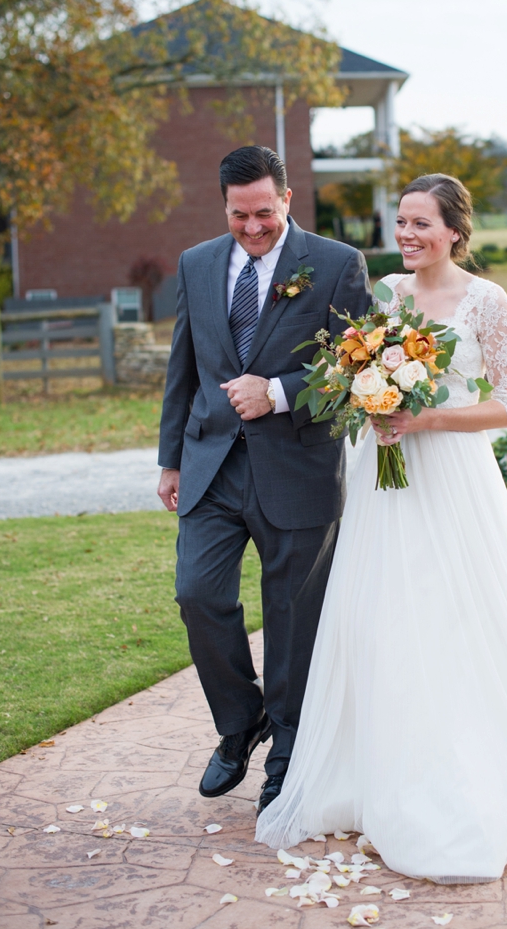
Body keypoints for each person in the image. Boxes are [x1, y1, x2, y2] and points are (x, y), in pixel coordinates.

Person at [256, 172, 507, 881]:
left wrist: (423, 415)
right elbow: (353, 372)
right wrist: (368, 400)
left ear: (455, 232)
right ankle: (380, 768)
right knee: (384, 615)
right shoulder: (386, 296)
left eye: (421, 224)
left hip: (453, 478)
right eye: (401, 222)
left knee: (455, 615)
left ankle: (465, 772)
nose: (406, 235)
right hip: (384, 476)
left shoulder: (488, 301)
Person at [157, 146, 372, 814]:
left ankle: (285, 748)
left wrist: (277, 391)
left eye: (263, 213)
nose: (251, 227)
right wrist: (170, 458)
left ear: (287, 198)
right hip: (210, 465)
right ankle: (238, 721)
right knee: (197, 593)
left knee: (291, 616)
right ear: (224, 205)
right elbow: (183, 367)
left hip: (297, 467)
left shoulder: (337, 265)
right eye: (238, 214)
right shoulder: (197, 264)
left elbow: (357, 370)